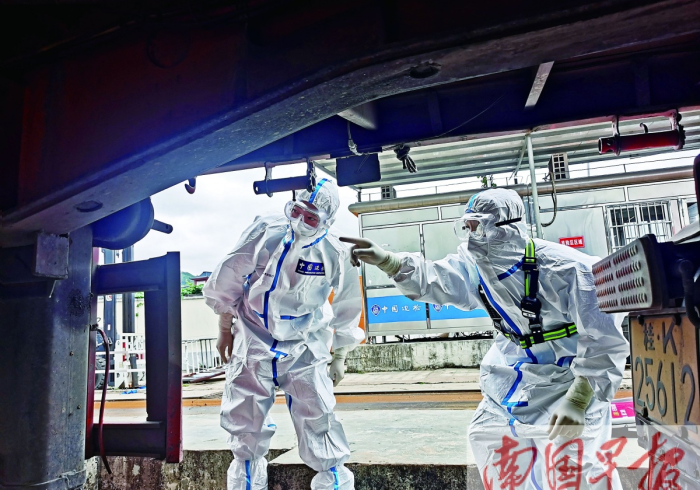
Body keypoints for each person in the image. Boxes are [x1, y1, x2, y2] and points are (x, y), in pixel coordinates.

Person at [341, 188, 628, 489]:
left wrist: (579, 399)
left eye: (477, 226)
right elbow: (435, 279)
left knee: (575, 471)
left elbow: (603, 339)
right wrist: (389, 261)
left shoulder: (568, 269)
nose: (470, 236)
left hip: (568, 382)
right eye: (467, 227)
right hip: (509, 380)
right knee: (491, 444)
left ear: (506, 227)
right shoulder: (476, 266)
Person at [204, 178, 364, 490]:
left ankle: (333, 481)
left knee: (319, 417)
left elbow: (347, 305)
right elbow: (229, 278)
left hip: (306, 343)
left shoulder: (335, 253)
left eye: (311, 218)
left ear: (326, 222)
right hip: (252, 334)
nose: (300, 222)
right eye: (296, 211)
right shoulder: (265, 230)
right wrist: (225, 328)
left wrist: (340, 354)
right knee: (244, 421)